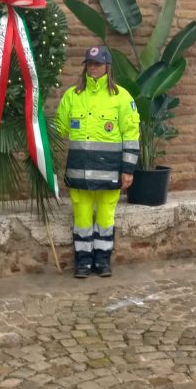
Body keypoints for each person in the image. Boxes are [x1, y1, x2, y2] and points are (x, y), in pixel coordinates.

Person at [55, 46, 140, 278]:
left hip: (109, 173)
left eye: (97, 64)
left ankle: (102, 261)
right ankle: (82, 262)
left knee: (105, 219)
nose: (93, 68)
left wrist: (128, 170)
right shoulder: (72, 96)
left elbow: (131, 135)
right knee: (81, 219)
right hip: (79, 173)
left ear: (107, 67)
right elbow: (59, 129)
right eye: (89, 64)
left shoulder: (122, 98)